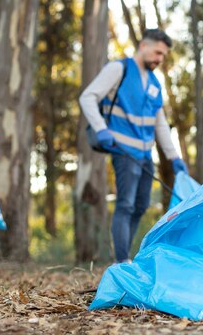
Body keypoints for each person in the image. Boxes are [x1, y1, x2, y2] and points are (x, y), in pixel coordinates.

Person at [79, 29, 187, 264]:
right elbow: (87, 97)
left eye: (164, 55)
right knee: (125, 204)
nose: (160, 58)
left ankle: (125, 256)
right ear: (143, 46)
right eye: (158, 52)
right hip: (123, 150)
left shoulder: (155, 84)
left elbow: (160, 124)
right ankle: (121, 261)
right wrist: (100, 128)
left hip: (145, 154)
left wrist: (173, 157)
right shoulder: (119, 69)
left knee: (141, 205)